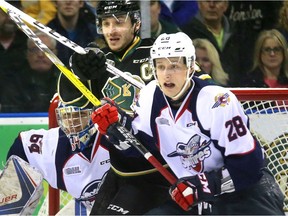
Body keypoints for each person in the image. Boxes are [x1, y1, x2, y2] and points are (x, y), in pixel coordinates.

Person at [91, 32, 285, 215]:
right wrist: (116, 127)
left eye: (174, 66)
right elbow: (141, 149)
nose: (166, 74)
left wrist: (203, 184)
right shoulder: (149, 97)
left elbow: (249, 166)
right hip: (194, 196)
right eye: (160, 66)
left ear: (191, 67)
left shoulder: (217, 101)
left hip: (245, 193)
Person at [6, 94, 111, 214]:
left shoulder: (111, 137)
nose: (73, 123)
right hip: (90, 209)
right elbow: (22, 146)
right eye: (67, 116)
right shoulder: (55, 144)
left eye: (80, 115)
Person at [181, 0, 241, 87]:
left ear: (225, 5)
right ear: (199, 4)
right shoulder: (186, 33)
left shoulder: (238, 31)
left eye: (217, 1)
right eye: (207, 1)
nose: (212, 5)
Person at [1, 31, 59, 112]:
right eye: (35, 49)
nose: (40, 55)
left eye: (46, 50)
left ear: (55, 54)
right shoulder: (13, 81)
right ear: (27, 54)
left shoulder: (65, 80)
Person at [226, 1, 283, 77]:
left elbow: (273, 31)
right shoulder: (228, 5)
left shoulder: (270, 5)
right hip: (233, 57)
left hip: (261, 56)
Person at [47, 0, 99, 66]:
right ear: (55, 3)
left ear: (81, 3)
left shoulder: (94, 33)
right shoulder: (46, 33)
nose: (68, 2)